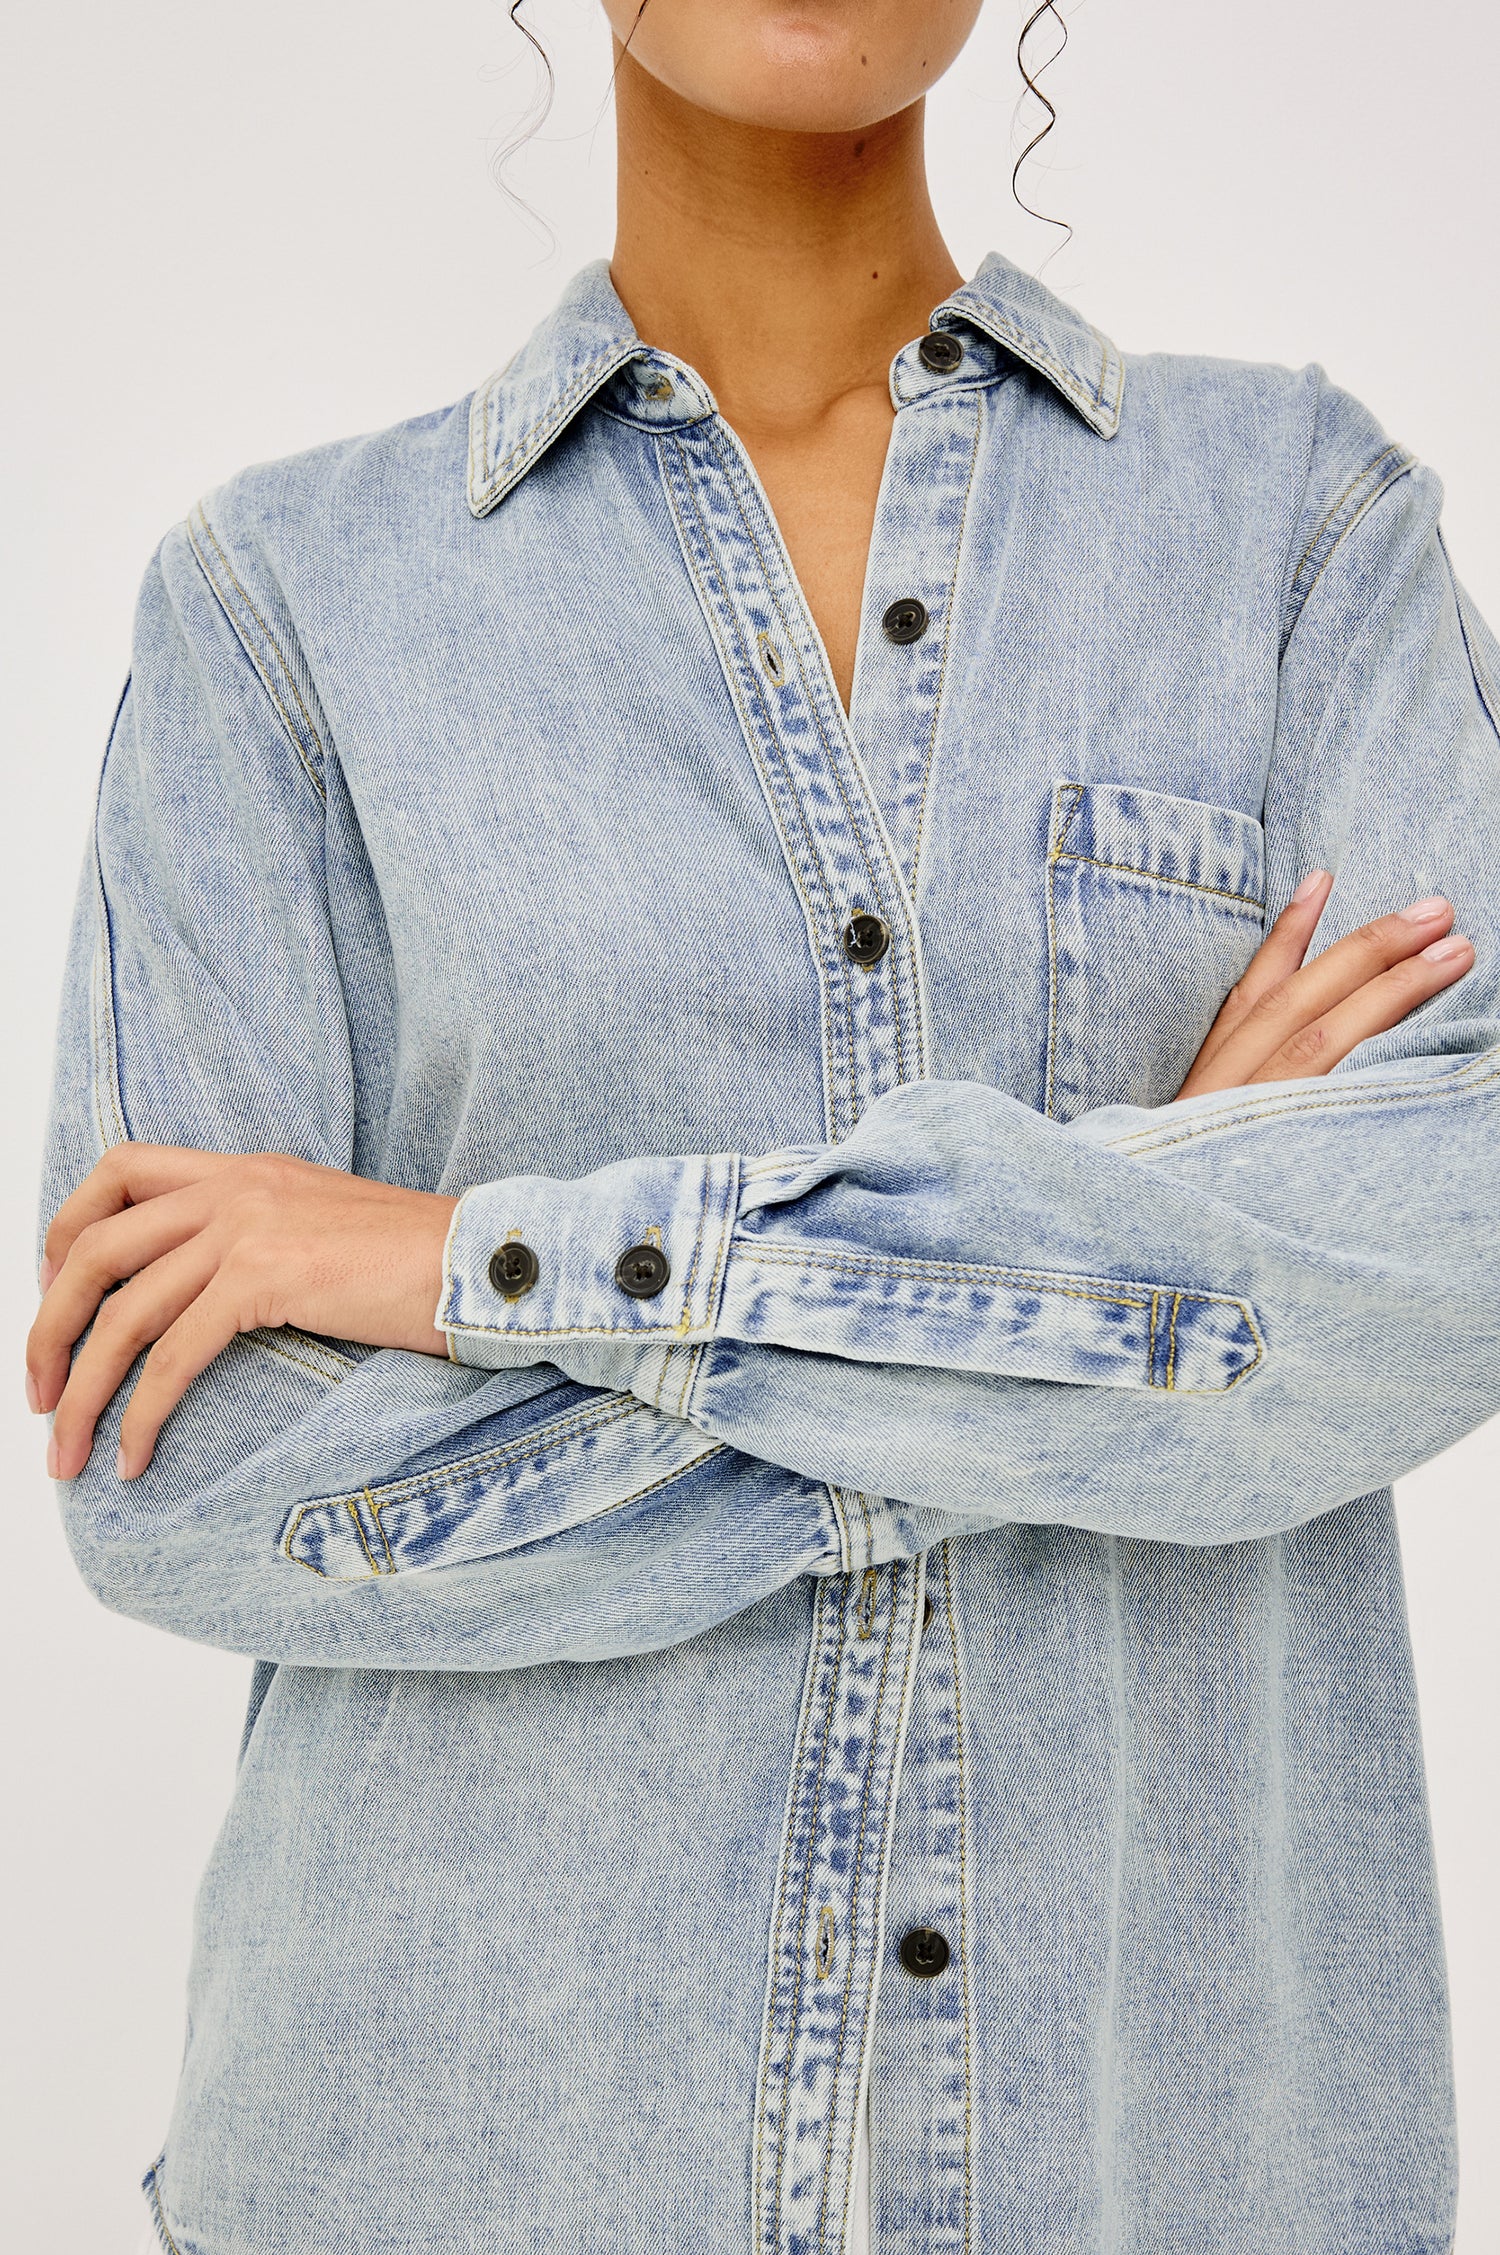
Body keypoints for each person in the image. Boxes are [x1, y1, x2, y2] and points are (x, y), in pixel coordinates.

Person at [28, 4, 1500, 2251]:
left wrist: (460, 1271)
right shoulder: (284, 615)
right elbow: (195, 1483)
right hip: (456, 2170)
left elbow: (1441, 1256)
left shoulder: (1297, 532)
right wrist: (1129, 1258)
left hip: (1159, 2177)